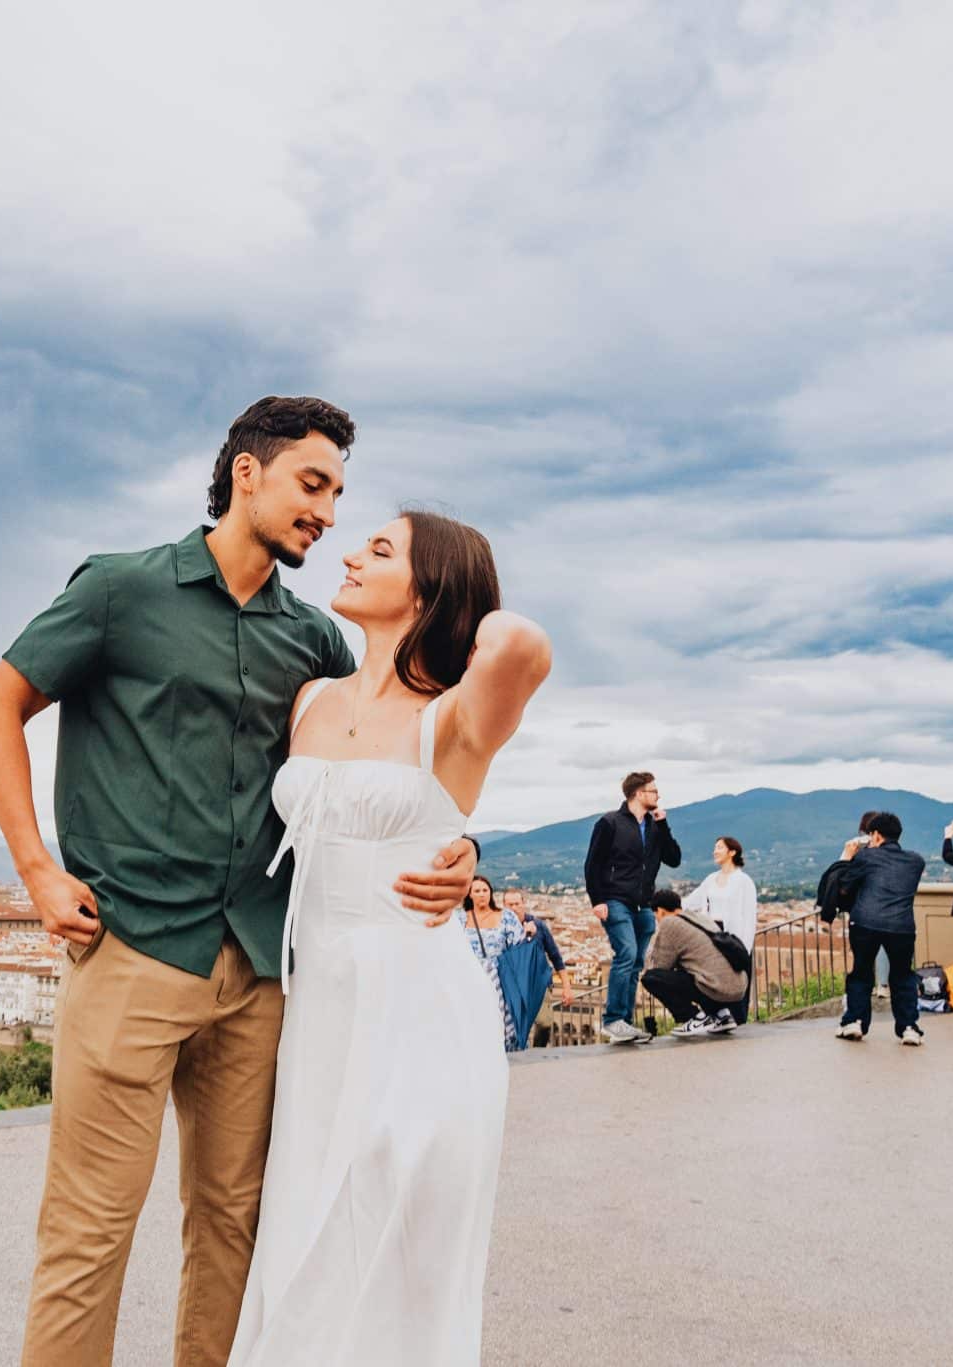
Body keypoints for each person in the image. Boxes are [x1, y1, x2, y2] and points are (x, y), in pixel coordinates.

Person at [0, 397, 480, 1367]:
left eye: (337, 492)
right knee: (88, 1232)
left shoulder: (315, 641)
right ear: (246, 473)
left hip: (260, 972)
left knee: (234, 1226)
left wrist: (459, 849)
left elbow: (392, 749)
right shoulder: (121, 589)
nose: (327, 512)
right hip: (132, 951)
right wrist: (35, 865)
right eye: (311, 483)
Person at [231, 509, 552, 1367]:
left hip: (419, 1001)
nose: (349, 552)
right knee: (306, 1232)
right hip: (320, 1005)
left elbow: (522, 645)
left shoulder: (453, 719)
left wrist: (466, 603)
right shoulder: (309, 698)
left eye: (380, 550)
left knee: (395, 1233)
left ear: (428, 589)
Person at [584, 771, 682, 1043]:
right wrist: (598, 900)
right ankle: (613, 1019)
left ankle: (624, 1024)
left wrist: (664, 826)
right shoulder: (609, 823)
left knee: (636, 963)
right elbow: (593, 864)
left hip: (644, 904)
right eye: (653, 791)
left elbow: (674, 859)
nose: (658, 795)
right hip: (616, 900)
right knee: (626, 953)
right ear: (638, 794)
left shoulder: (653, 827)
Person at [833, 813, 927, 1045]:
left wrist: (848, 855)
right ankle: (908, 1027)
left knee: (861, 973)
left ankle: (854, 1021)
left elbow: (843, 884)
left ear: (875, 835)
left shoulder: (866, 857)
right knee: (903, 975)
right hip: (902, 926)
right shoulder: (916, 861)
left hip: (865, 922)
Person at [639, 888, 747, 1037]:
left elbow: (660, 967)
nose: (657, 919)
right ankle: (722, 1016)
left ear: (660, 911)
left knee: (651, 978)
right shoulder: (699, 917)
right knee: (694, 971)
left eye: (655, 915)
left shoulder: (670, 923)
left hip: (717, 986)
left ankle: (694, 1018)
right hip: (738, 986)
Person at [456, 876, 537, 1051]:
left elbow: (519, 947)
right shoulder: (460, 919)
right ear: (469, 894)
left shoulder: (506, 916)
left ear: (491, 893)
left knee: (502, 1022)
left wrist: (529, 935)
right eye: (477, 891)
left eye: (485, 890)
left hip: (501, 980)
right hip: (470, 978)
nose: (482, 894)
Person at [683, 835, 757, 1023]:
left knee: (737, 979)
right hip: (714, 935)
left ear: (732, 852)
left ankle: (738, 1019)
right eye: (715, 847)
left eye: (719, 847)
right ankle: (718, 1017)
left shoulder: (743, 881)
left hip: (735, 937)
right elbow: (691, 902)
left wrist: (745, 947)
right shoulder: (710, 879)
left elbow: (749, 916)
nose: (715, 851)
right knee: (716, 977)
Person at [502, 887, 573, 1011]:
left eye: (517, 904)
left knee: (543, 1025)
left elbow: (555, 956)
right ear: (504, 906)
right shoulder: (500, 928)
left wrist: (566, 986)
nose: (514, 908)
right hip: (512, 986)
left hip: (538, 984)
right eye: (510, 905)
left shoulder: (538, 925)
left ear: (523, 904)